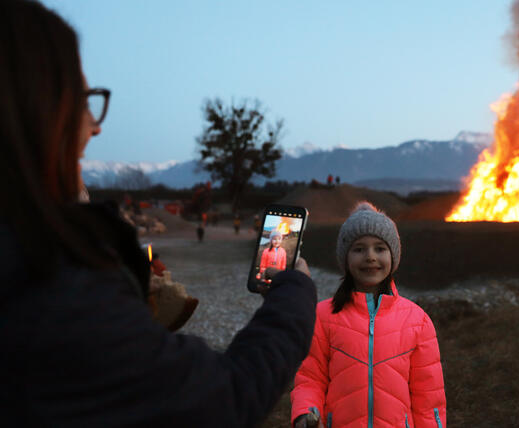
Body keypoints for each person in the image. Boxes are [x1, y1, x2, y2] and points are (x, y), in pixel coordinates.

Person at [0, 2, 316, 426]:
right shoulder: (53, 285)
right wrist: (295, 292)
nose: (95, 127)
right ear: (35, 109)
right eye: (83, 100)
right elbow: (225, 397)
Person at [291, 202, 447, 428]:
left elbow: (428, 396)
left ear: (393, 256)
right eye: (359, 249)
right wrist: (306, 414)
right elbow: (310, 379)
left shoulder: (418, 321)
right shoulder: (323, 316)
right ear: (345, 258)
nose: (370, 257)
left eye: (380, 248)